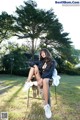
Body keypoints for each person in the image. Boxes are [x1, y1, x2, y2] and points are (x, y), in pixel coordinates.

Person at [23, 48, 56, 119]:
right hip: (39, 78)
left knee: (45, 80)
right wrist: (35, 66)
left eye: (44, 52)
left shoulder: (52, 62)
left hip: (46, 78)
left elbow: (50, 73)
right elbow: (30, 62)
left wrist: (42, 79)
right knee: (32, 68)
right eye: (41, 53)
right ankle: (27, 82)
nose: (42, 54)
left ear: (47, 53)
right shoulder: (40, 61)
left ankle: (46, 106)